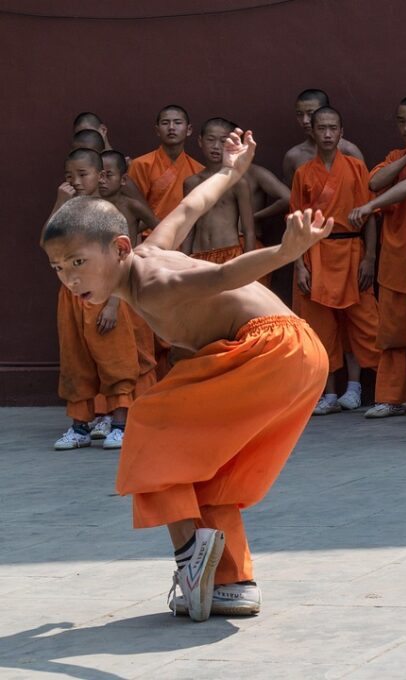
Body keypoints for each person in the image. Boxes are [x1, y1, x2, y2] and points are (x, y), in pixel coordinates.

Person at [42, 128, 332, 622]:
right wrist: (230, 170)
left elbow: (223, 275)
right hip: (293, 356)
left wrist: (286, 253)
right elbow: (192, 206)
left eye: (78, 263)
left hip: (270, 349)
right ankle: (232, 585)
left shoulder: (156, 283)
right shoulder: (147, 249)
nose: (70, 279)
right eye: (58, 268)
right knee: (206, 475)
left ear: (119, 247)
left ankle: (188, 558)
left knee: (149, 421)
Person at [48, 149, 155, 451]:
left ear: (100, 175)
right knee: (75, 360)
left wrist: (113, 304)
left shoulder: (109, 213)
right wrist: (59, 202)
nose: (76, 181)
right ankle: (79, 427)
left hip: (106, 292)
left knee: (115, 359)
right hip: (71, 294)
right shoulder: (68, 211)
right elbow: (48, 242)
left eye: (83, 175)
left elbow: (122, 260)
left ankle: (120, 424)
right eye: (70, 176)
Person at [290, 107, 379, 415]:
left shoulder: (356, 167)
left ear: (342, 132)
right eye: (322, 128)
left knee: (363, 321)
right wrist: (299, 265)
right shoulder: (303, 173)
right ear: (312, 132)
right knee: (320, 326)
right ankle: (327, 392)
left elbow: (370, 215)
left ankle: (354, 387)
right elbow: (296, 222)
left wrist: (370, 257)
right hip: (315, 251)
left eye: (333, 128)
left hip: (352, 249)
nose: (327, 134)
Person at [353, 95, 406, 418]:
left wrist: (370, 207)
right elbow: (374, 181)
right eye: (402, 121)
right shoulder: (396, 156)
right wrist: (404, 160)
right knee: (391, 334)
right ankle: (391, 397)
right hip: (393, 259)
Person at [182, 118, 255, 262]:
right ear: (200, 141)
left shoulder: (237, 183)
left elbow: (248, 230)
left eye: (223, 141)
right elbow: (188, 229)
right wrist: (183, 260)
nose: (216, 146)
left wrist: (249, 265)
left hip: (230, 253)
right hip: (199, 256)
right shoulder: (191, 183)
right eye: (210, 140)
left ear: (232, 145)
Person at [129, 105, 205, 220]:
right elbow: (132, 210)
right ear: (157, 130)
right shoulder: (141, 164)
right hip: (149, 230)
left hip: (185, 230)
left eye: (177, 123)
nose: (171, 127)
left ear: (189, 130)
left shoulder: (199, 170)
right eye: (165, 123)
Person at [281, 89, 364, 183]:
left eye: (310, 114)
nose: (305, 120)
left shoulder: (349, 150)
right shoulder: (293, 157)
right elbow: (293, 191)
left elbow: (363, 188)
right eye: (300, 114)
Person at [99, 150, 159, 245]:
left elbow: (159, 227)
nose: (102, 180)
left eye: (108, 175)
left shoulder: (131, 206)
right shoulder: (91, 205)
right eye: (100, 175)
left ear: (123, 179)